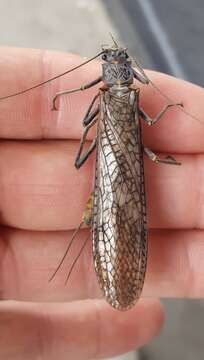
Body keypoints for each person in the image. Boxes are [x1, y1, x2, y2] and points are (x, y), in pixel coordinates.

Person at [0, 47, 203, 359]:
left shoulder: (104, 97)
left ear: (108, 73)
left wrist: (90, 137)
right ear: (129, 73)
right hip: (119, 165)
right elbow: (147, 119)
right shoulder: (127, 96)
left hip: (111, 160)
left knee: (90, 164)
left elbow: (86, 122)